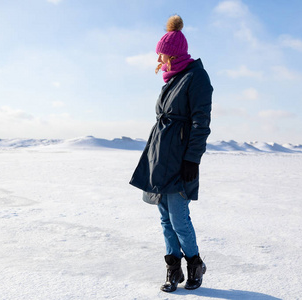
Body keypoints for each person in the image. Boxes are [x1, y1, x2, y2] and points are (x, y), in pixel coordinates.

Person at [129, 15, 213, 293]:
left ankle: (195, 263)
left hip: (179, 158)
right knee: (164, 216)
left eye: (162, 55)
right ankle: (173, 268)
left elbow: (201, 122)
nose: (159, 60)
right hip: (160, 155)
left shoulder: (195, 77)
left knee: (179, 216)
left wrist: (192, 158)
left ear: (174, 54)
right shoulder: (172, 78)